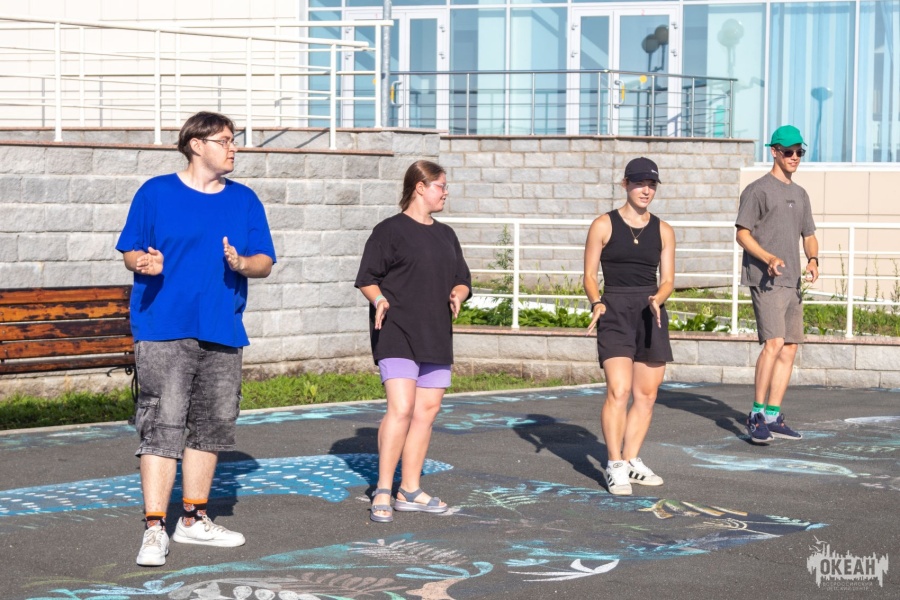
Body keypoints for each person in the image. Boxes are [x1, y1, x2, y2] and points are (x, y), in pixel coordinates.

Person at [116, 111, 276, 566]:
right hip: (164, 326)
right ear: (196, 145)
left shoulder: (244, 199)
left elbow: (264, 261)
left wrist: (242, 263)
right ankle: (154, 528)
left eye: (234, 139)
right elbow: (130, 250)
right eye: (225, 140)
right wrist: (141, 262)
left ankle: (192, 519)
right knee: (162, 424)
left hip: (222, 328)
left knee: (212, 425)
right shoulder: (155, 193)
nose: (234, 147)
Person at [354, 160, 471, 523]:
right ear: (420, 187)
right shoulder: (389, 230)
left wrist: (459, 293)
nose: (445, 192)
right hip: (396, 330)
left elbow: (462, 278)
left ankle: (410, 489)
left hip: (436, 333)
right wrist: (379, 299)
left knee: (427, 411)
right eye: (441, 186)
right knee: (402, 408)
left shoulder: (446, 234)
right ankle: (383, 489)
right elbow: (367, 278)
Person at [583, 157, 675, 496]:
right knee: (619, 391)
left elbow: (668, 280)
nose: (645, 190)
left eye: (651, 185)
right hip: (615, 309)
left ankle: (632, 459)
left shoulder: (664, 230)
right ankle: (615, 464)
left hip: (651, 311)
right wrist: (596, 302)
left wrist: (658, 298)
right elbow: (589, 275)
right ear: (625, 185)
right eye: (638, 183)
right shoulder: (603, 225)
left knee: (647, 395)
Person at [736, 124, 818, 444]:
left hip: (792, 281)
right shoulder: (758, 190)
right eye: (788, 152)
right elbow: (742, 234)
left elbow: (809, 235)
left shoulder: (801, 194)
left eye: (799, 152)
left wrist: (813, 260)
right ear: (774, 152)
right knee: (773, 343)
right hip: (766, 280)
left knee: (790, 346)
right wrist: (767, 257)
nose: (794, 157)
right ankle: (756, 415)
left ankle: (773, 415)